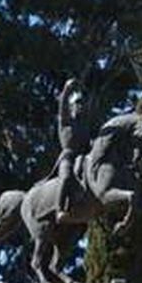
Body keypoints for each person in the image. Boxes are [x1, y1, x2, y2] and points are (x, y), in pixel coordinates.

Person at [54, 77, 89, 216]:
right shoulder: (65, 121)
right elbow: (62, 105)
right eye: (77, 103)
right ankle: (59, 209)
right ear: (71, 106)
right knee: (67, 176)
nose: (81, 106)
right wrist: (67, 89)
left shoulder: (84, 128)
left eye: (82, 103)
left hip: (82, 157)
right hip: (68, 157)